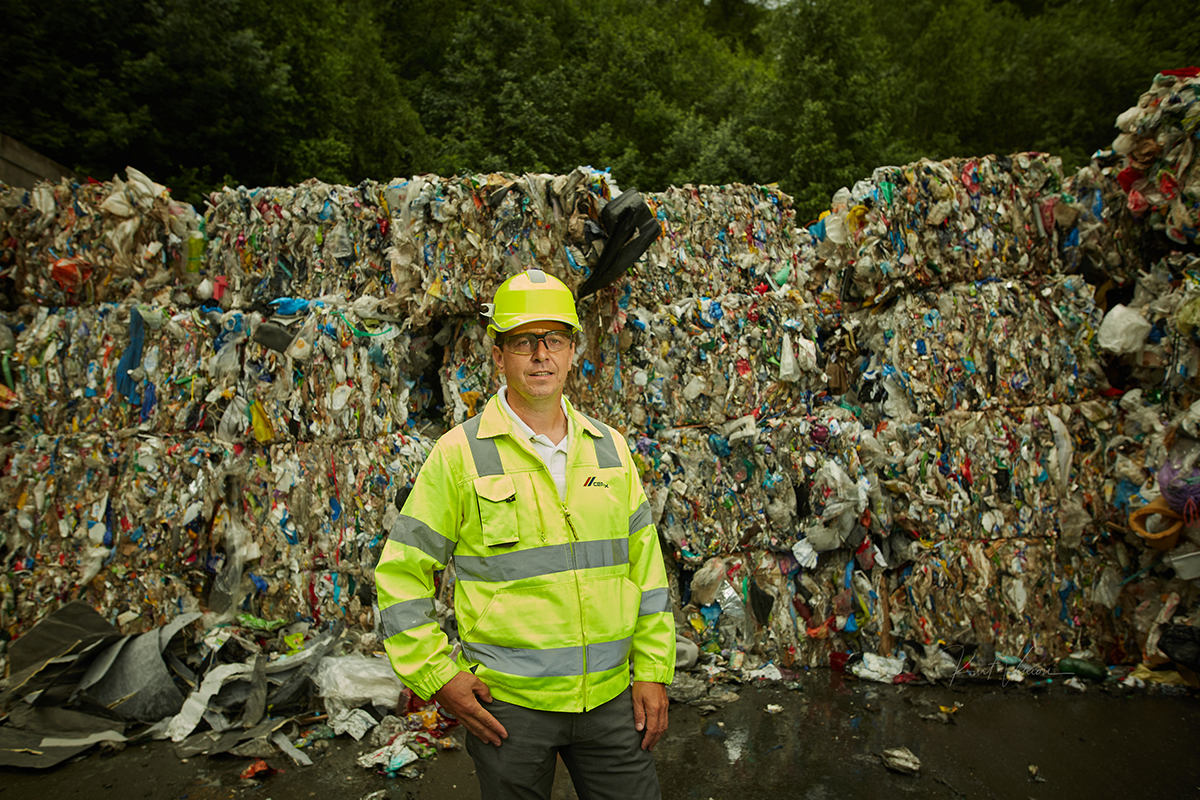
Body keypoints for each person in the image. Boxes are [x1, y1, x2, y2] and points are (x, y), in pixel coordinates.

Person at [374, 268, 676, 800]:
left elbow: (646, 571)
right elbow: (401, 574)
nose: (541, 355)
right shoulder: (459, 455)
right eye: (523, 341)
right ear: (499, 355)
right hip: (509, 708)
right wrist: (438, 676)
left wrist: (651, 670)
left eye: (554, 339)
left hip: (610, 701)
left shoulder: (610, 449)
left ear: (572, 349)